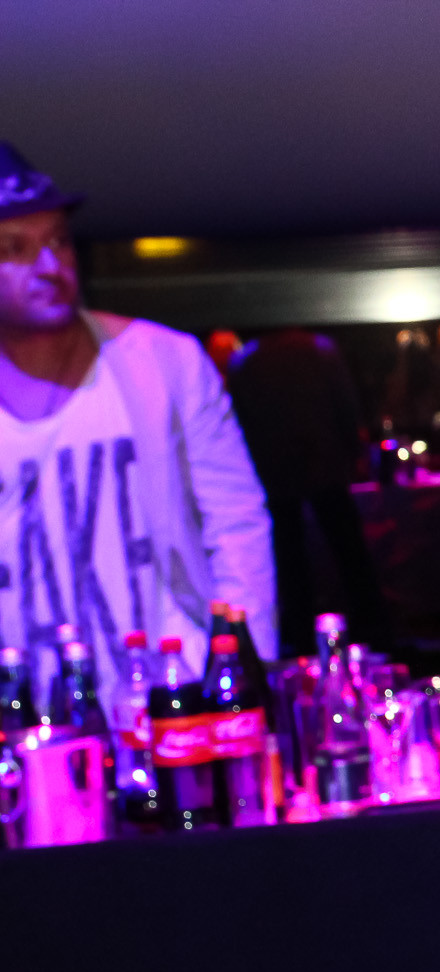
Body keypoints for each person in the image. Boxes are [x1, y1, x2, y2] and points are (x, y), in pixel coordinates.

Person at [0, 143, 274, 698]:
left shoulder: (163, 362)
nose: (51, 267)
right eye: (15, 249)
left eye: (59, 241)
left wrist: (242, 670)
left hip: (176, 698)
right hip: (27, 717)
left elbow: (236, 522)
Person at [226, 328, 391, 654]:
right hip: (321, 461)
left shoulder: (246, 360)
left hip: (275, 467)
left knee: (290, 556)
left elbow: (238, 419)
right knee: (347, 547)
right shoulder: (318, 350)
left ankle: (299, 633)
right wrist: (353, 449)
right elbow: (345, 403)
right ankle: (372, 623)